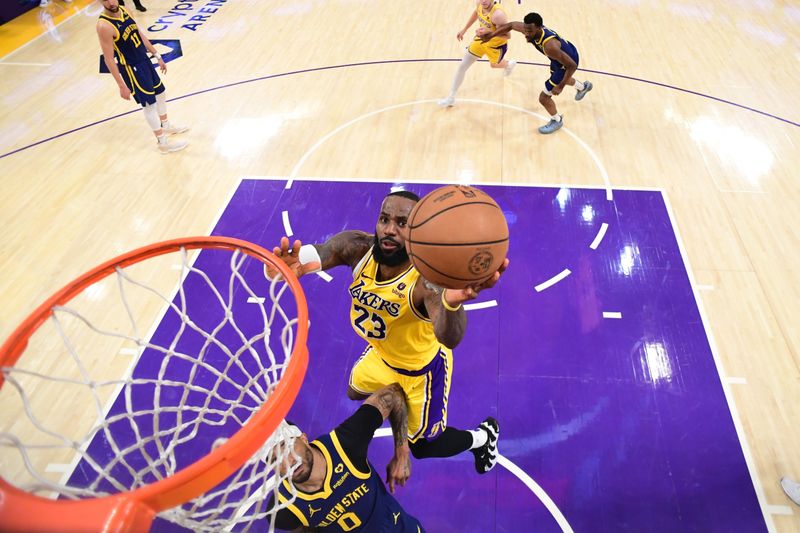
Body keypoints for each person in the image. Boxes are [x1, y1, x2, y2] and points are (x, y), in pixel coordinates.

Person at [266, 190, 507, 474]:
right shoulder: (357, 248)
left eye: (402, 223)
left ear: (419, 233)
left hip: (421, 372)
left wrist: (452, 305)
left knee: (424, 447)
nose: (389, 230)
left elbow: (450, 337)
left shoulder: (428, 283)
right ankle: (396, 403)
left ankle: (482, 439)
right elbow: (316, 254)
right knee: (354, 391)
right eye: (384, 219)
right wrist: (283, 267)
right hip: (382, 354)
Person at [268, 383, 425, 531]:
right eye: (275, 460)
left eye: (287, 447)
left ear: (303, 438)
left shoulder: (346, 445)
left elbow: (393, 394)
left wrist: (402, 454)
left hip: (400, 527)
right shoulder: (283, 509)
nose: (288, 462)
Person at [96, 0, 188, 153]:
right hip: (132, 68)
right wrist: (121, 85)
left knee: (160, 93)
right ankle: (162, 142)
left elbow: (139, 34)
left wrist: (156, 54)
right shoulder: (104, 26)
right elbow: (109, 58)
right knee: (149, 105)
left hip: (144, 61)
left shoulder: (125, 10)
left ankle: (165, 125)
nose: (111, 2)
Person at [482, 12, 593, 134]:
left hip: (566, 63)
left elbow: (572, 65)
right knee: (558, 79)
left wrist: (560, 87)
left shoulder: (549, 46)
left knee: (544, 98)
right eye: (525, 30)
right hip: (563, 54)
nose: (526, 34)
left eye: (530, 31)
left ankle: (557, 120)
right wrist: (491, 35)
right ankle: (583, 87)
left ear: (539, 28)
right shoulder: (530, 29)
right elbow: (511, 25)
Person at [437, 0, 516, 108]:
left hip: (495, 46)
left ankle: (509, 64)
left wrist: (489, 33)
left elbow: (507, 36)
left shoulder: (498, 15)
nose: (483, 0)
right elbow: (476, 13)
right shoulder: (479, 4)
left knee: (494, 65)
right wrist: (464, 29)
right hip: (480, 41)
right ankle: (451, 97)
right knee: (462, 66)